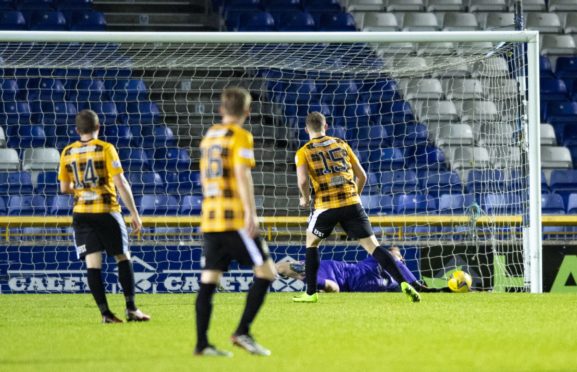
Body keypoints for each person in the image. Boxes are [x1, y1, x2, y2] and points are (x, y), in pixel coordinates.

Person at [293, 112, 422, 303]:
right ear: (326, 126)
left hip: (325, 206)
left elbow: (303, 180)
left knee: (311, 244)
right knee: (374, 248)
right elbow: (362, 176)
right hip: (352, 203)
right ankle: (404, 282)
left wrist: (305, 199)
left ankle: (311, 294)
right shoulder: (341, 144)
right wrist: (355, 197)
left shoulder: (303, 151)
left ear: (306, 130)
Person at [195, 87, 277, 357]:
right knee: (267, 273)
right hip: (233, 219)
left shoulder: (209, 136)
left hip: (210, 217)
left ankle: (202, 344)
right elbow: (242, 175)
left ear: (221, 109)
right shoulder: (241, 136)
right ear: (247, 112)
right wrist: (251, 214)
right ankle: (242, 331)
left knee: (209, 279)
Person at [58, 109, 150, 323]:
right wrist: (134, 213)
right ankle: (131, 309)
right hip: (106, 211)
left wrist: (82, 190)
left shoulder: (67, 152)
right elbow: (121, 183)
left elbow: (64, 187)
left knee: (93, 264)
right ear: (98, 127)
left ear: (77, 130)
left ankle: (105, 313)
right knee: (122, 257)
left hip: (81, 214)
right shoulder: (106, 149)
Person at [277, 247, 451, 293]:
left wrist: (310, 281)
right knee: (392, 258)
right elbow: (333, 288)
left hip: (363, 274)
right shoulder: (312, 275)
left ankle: (417, 285)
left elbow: (282, 267)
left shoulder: (309, 271)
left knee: (393, 255)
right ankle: (418, 285)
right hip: (365, 279)